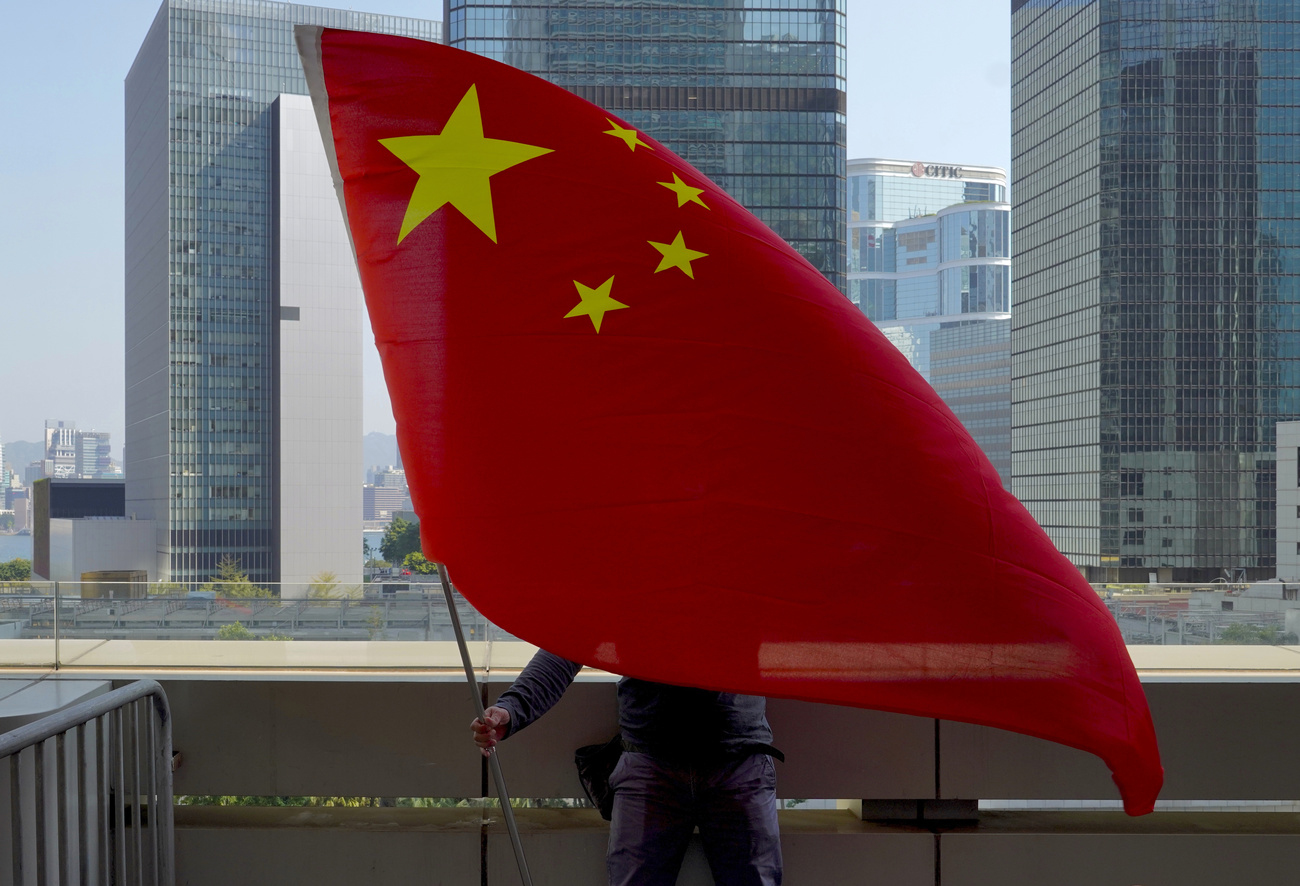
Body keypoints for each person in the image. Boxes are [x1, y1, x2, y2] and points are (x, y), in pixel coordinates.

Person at [471, 649, 783, 886]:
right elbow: (566, 647)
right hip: (654, 765)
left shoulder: (743, 570)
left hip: (737, 763)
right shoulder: (629, 575)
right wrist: (512, 709)